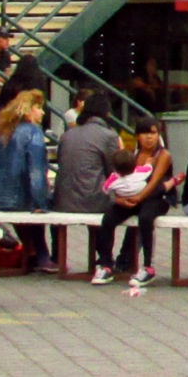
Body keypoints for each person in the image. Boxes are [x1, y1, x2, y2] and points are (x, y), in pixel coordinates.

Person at [55, 91, 126, 281]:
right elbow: (115, 172)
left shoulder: (68, 134)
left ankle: (100, 257)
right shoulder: (108, 135)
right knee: (127, 207)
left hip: (64, 198)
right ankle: (115, 261)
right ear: (107, 112)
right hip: (93, 200)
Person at [0, 89, 57, 273]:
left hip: (0, 197)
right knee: (48, 204)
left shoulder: (4, 132)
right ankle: (45, 256)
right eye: (39, 108)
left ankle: (32, 251)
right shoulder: (33, 132)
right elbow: (36, 173)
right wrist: (41, 201)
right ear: (28, 110)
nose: (42, 112)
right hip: (21, 198)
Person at [100, 116, 171, 292]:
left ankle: (148, 267)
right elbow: (120, 181)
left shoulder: (163, 155)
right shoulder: (133, 155)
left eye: (153, 133)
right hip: (131, 198)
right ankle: (106, 265)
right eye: (145, 133)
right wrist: (119, 200)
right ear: (137, 136)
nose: (149, 137)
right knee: (108, 219)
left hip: (156, 198)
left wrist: (137, 199)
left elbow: (154, 182)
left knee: (145, 219)